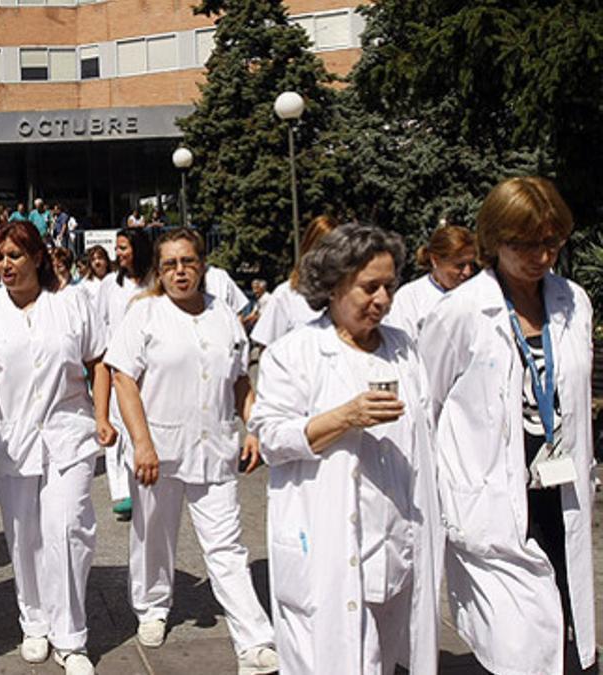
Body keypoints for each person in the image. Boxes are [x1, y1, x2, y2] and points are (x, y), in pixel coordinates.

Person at [420, 177, 596, 674]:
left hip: (559, 489)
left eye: (550, 242)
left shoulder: (573, 302)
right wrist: (443, 496)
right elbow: (425, 406)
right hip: (492, 497)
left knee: (563, 624)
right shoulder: (461, 312)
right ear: (495, 241)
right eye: (524, 244)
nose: (540, 256)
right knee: (517, 644)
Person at [249, 223, 442, 674]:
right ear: (334, 286)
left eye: (389, 286)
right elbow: (273, 438)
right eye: (369, 287)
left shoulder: (403, 349)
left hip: (396, 544)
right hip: (327, 543)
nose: (383, 300)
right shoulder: (293, 353)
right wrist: (344, 417)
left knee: (390, 656)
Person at [106, 229, 278, 673]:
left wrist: (254, 426)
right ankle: (152, 607)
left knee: (227, 547)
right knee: (153, 536)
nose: (180, 272)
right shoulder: (144, 315)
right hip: (157, 450)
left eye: (187, 262)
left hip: (214, 447)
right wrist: (141, 442)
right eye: (169, 265)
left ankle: (254, 641)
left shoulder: (224, 316)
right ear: (158, 272)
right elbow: (123, 379)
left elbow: (239, 379)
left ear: (202, 265)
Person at [0, 221, 114, 675]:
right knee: (24, 536)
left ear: (37, 257)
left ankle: (70, 637)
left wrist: (101, 417)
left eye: (14, 256)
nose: (5, 265)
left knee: (70, 527)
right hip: (11, 438)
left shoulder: (73, 302)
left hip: (69, 431)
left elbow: (98, 362)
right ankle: (34, 621)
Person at [95, 228, 153, 521]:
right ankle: (121, 491)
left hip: (149, 364)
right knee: (115, 426)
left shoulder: (155, 282)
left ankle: (141, 481)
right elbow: (101, 323)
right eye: (116, 248)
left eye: (124, 248)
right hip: (116, 364)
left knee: (140, 425)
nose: (118, 254)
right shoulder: (109, 285)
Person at [250, 215, 338, 348]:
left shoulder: (348, 296)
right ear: (309, 249)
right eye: (324, 250)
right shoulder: (286, 295)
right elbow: (267, 349)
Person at [384, 224, 476, 338]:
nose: (468, 272)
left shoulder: (478, 295)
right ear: (435, 260)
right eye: (460, 266)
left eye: (471, 264)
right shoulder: (410, 299)